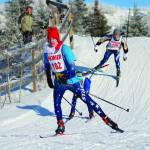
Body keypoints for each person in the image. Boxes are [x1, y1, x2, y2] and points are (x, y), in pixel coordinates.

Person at [44, 26, 122, 134]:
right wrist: (48, 77)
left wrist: (63, 76)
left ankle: (106, 119)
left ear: (57, 38)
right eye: (50, 38)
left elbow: (71, 69)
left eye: (54, 38)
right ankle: (60, 125)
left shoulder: (64, 49)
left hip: (72, 81)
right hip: (59, 83)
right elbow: (47, 64)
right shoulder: (47, 50)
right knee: (56, 103)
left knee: (87, 100)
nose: (52, 41)